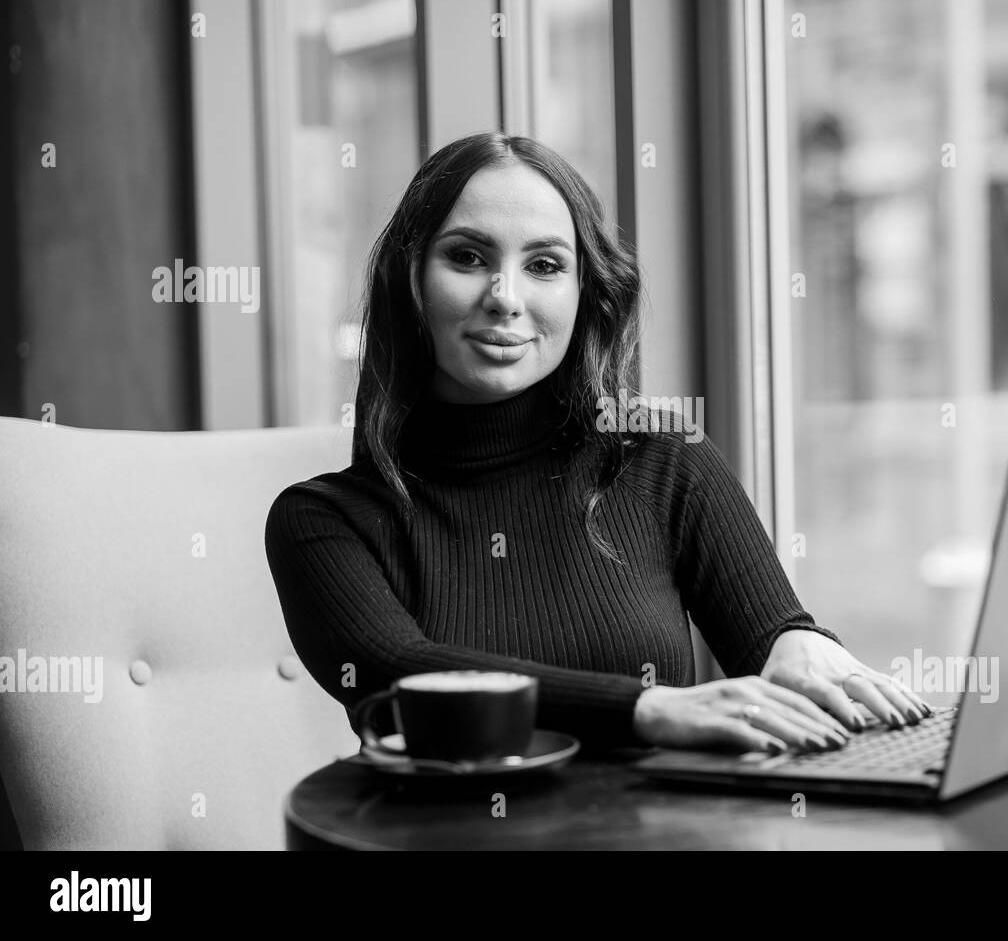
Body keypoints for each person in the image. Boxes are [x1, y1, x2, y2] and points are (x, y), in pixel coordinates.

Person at [264, 131, 932, 756]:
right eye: (468, 256)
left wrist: (797, 639)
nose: (505, 296)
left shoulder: (662, 456)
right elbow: (398, 669)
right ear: (410, 280)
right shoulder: (323, 520)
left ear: (585, 293)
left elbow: (768, 639)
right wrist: (647, 709)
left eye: (545, 265)